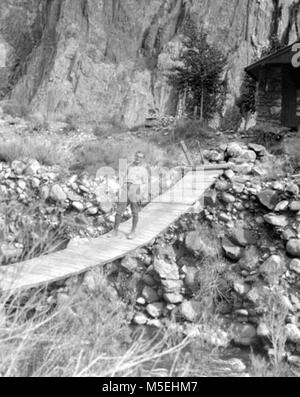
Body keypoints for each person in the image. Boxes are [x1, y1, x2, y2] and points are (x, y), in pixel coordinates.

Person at [111, 151, 148, 240]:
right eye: (136, 156)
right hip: (125, 188)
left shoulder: (143, 170)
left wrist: (141, 194)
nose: (137, 158)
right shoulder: (129, 166)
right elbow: (123, 177)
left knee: (135, 212)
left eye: (140, 157)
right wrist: (120, 189)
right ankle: (115, 230)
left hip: (135, 189)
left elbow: (145, 183)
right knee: (119, 211)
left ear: (142, 159)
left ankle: (133, 231)